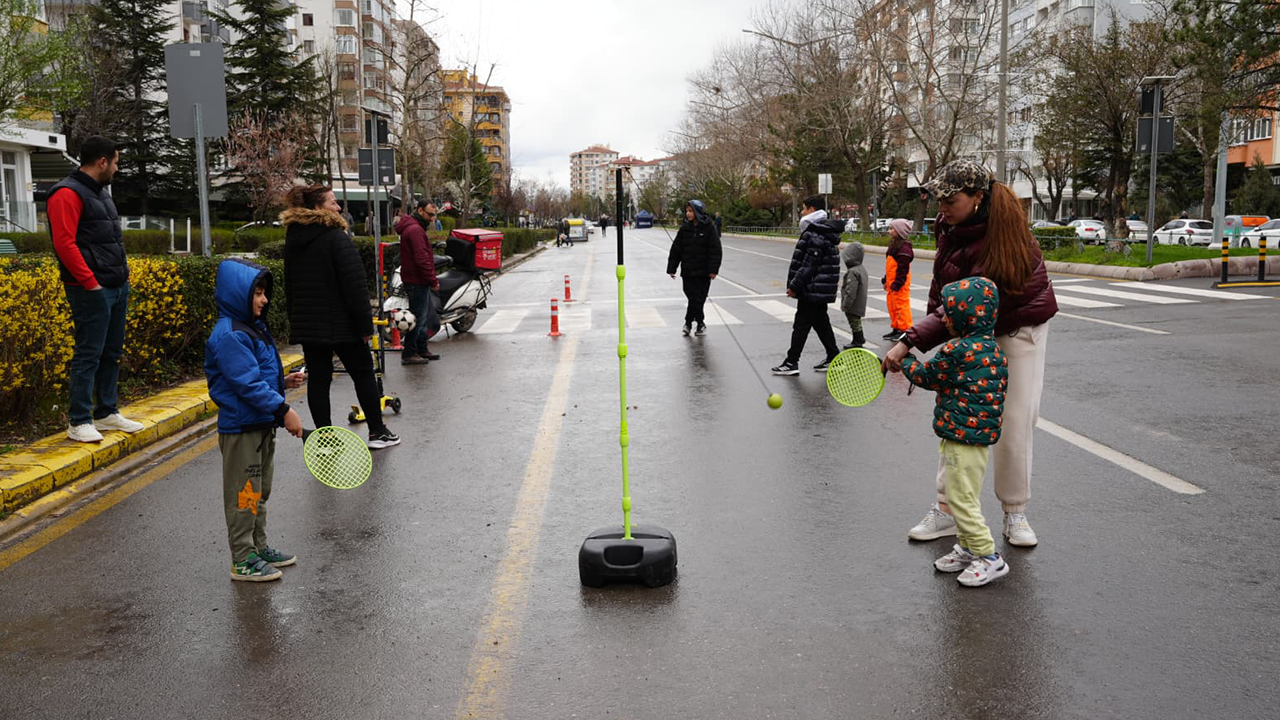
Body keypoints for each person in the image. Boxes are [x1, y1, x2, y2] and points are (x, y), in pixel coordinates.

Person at [882, 160, 1058, 547]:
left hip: (1017, 327)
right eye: (937, 198)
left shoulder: (1008, 234)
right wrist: (931, 338)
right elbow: (945, 290)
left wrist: (910, 341)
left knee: (1013, 422)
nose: (941, 207)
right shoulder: (952, 223)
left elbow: (975, 298)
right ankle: (947, 510)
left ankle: (1015, 513)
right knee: (958, 415)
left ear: (978, 197)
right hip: (966, 324)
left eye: (951, 199)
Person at [896, 276, 1010, 587]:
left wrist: (905, 360)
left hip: (962, 437)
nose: (943, 317)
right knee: (961, 492)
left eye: (948, 312)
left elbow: (928, 376)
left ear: (965, 316)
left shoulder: (957, 350)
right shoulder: (994, 349)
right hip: (973, 438)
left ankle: (989, 557)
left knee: (961, 498)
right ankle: (968, 548)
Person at [205, 259, 307, 581]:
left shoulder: (250, 329)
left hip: (259, 426)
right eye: (257, 293)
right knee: (244, 496)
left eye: (265, 293)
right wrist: (284, 410)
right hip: (242, 429)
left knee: (259, 492)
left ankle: (258, 547)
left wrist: (284, 383)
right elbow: (246, 385)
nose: (264, 300)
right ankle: (242, 559)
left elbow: (257, 376)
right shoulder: (231, 335)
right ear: (237, 294)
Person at [282, 185, 400, 449]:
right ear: (317, 208)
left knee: (319, 380)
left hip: (311, 325)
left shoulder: (294, 239)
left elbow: (290, 285)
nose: (339, 208)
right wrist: (364, 326)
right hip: (343, 324)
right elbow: (355, 286)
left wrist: (297, 321)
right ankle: (377, 432)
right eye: (333, 203)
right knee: (363, 374)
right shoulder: (336, 237)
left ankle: (325, 439)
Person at [49, 136, 145, 443]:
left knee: (111, 352)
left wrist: (121, 280)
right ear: (102, 162)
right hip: (90, 288)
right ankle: (79, 420)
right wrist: (90, 282)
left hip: (115, 285)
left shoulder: (100, 194)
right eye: (115, 162)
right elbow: (64, 243)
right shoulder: (66, 193)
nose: (117, 168)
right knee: (89, 352)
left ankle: (106, 413)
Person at [771, 195, 843, 375]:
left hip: (812, 287)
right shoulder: (822, 230)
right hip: (817, 287)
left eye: (803, 209)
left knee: (801, 325)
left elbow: (809, 265)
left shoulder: (815, 233)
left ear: (811, 210)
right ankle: (834, 357)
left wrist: (795, 285)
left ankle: (791, 362)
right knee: (821, 323)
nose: (801, 212)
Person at [394, 200, 441, 366]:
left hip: (416, 279)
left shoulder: (415, 227)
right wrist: (432, 280)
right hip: (417, 280)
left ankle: (421, 349)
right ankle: (409, 353)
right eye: (429, 214)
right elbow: (421, 259)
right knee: (418, 319)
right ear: (420, 211)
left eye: (434, 215)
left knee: (422, 317)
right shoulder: (415, 230)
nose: (432, 218)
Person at [666, 200, 722, 336]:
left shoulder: (709, 228)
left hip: (704, 273)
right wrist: (672, 268)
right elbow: (676, 249)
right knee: (692, 297)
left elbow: (716, 250)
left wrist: (713, 270)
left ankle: (689, 323)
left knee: (698, 298)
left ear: (698, 212)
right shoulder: (685, 228)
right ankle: (700, 323)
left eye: (691, 211)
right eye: (687, 211)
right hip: (688, 271)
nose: (688, 213)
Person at [882, 218, 914, 342]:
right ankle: (896, 328)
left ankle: (905, 330)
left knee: (901, 306)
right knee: (892, 306)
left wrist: (898, 283)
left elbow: (902, 270)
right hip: (892, 282)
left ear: (899, 232)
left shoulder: (904, 250)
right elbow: (890, 266)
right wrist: (886, 279)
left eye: (891, 229)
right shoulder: (894, 245)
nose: (889, 231)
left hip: (899, 283)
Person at [839, 241, 869, 349]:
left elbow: (850, 290)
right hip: (860, 302)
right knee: (856, 322)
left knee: (854, 323)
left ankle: (858, 340)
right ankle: (858, 338)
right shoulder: (861, 268)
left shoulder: (852, 272)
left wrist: (846, 304)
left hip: (853, 304)